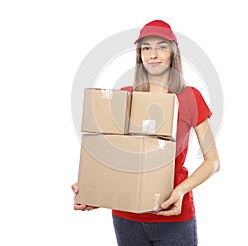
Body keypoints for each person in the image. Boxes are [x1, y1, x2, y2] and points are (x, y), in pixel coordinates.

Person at [72, 20, 220, 245]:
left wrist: (180, 191)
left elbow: (213, 161)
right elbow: (112, 155)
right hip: (126, 216)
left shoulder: (189, 97)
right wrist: (93, 188)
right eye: (146, 48)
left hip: (173, 215)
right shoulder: (124, 96)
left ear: (173, 53)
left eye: (162, 47)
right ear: (139, 54)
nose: (154, 54)